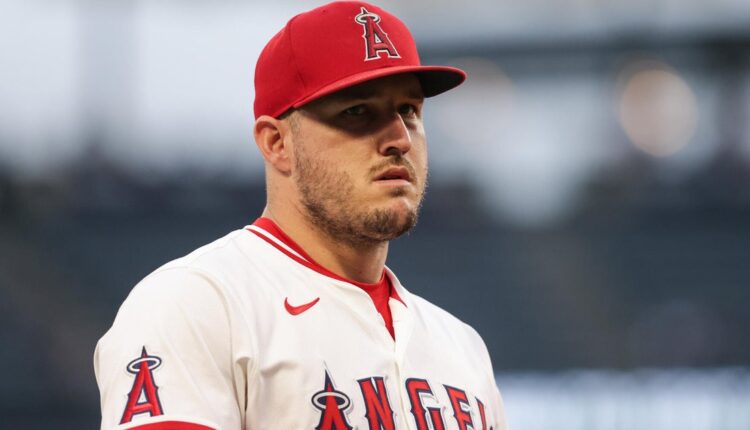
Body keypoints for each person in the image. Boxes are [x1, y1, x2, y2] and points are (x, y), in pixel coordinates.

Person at [94, 2, 507, 429]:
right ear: (277, 143)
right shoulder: (197, 304)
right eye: (358, 111)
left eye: (409, 111)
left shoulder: (462, 349)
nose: (399, 139)